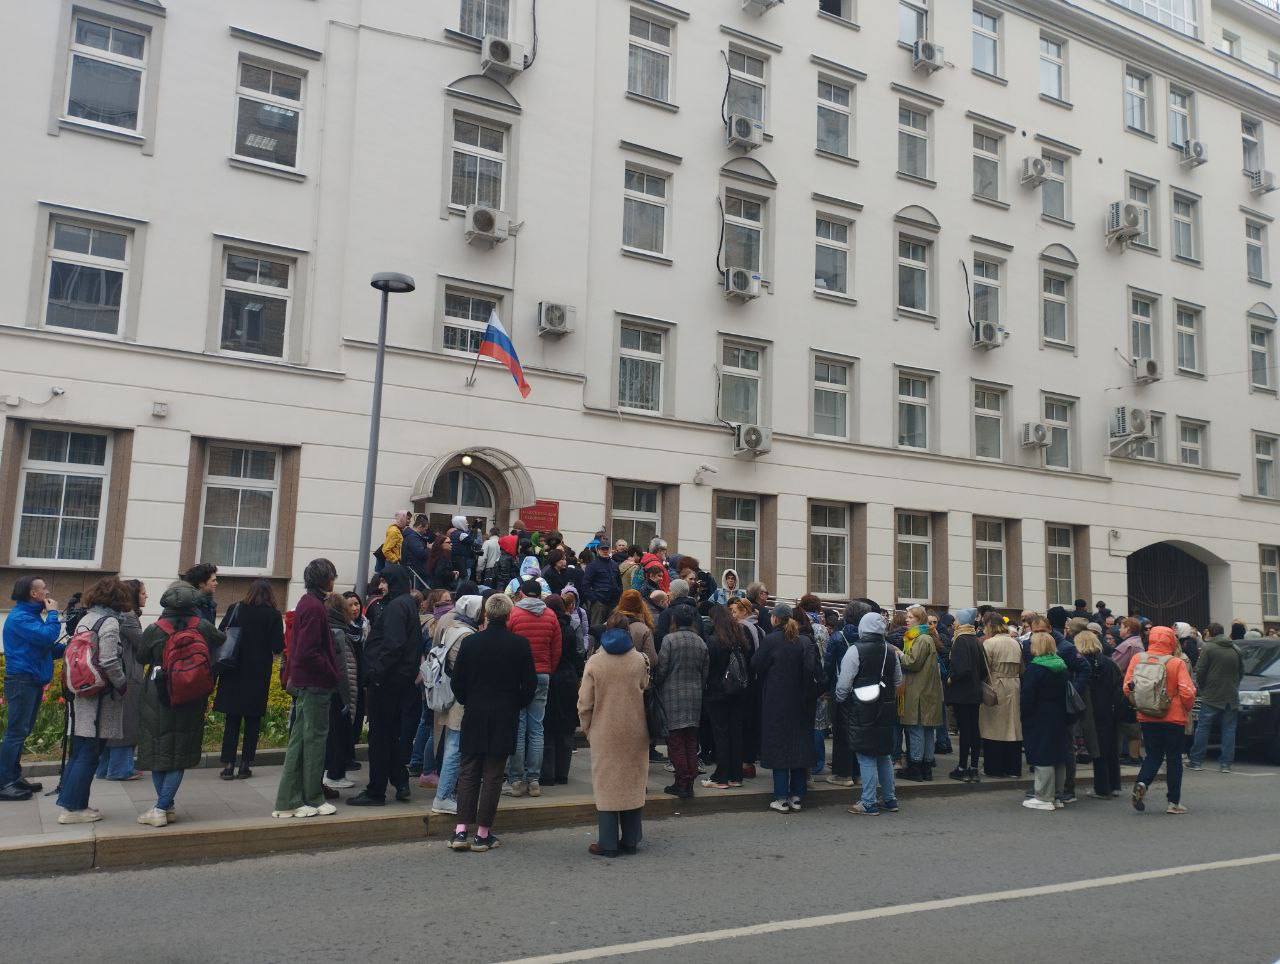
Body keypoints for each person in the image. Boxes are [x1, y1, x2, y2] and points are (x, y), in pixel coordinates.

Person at [449, 593, 537, 852]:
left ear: (486, 614)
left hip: (475, 712)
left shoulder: (470, 642)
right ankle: (483, 833)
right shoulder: (519, 645)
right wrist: (515, 703)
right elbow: (529, 685)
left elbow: (457, 681)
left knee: (468, 771)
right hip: (504, 714)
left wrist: (468, 699)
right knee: (493, 774)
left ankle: (460, 830)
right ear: (509, 615)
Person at [137, 580, 226, 827]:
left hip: (158, 693)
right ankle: (166, 806)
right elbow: (222, 640)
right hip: (191, 690)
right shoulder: (202, 626)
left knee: (158, 751)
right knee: (180, 752)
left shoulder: (155, 629)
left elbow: (141, 657)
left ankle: (161, 807)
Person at [56, 577, 133, 824]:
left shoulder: (87, 618)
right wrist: (122, 684)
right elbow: (109, 660)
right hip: (101, 697)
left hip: (82, 691)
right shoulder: (109, 622)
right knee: (89, 753)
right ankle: (74, 808)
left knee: (80, 750)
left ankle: (71, 802)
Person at [272, 560, 340, 819]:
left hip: (306, 683)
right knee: (313, 743)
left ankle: (290, 800)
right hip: (315, 684)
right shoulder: (314, 607)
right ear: (326, 580)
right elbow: (308, 652)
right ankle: (311, 797)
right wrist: (332, 673)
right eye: (332, 577)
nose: (334, 581)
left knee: (300, 742)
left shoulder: (306, 603)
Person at [349, 564, 419, 807]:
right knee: (390, 735)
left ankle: (376, 790)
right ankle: (400, 781)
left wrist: (375, 674)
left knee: (380, 737)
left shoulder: (396, 607)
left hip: (387, 682)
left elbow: (393, 645)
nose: (381, 586)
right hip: (399, 681)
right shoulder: (406, 604)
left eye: (384, 581)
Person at [578, 625, 650, 857]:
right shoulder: (639, 661)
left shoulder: (595, 662)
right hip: (636, 729)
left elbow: (585, 702)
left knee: (606, 784)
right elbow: (645, 687)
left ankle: (608, 843)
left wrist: (588, 729)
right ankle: (631, 839)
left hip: (604, 731)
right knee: (633, 781)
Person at [753, 603, 820, 813]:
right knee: (798, 747)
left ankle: (781, 797)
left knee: (779, 748)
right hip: (801, 702)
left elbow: (756, 664)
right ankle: (797, 796)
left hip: (776, 701)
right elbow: (813, 670)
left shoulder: (771, 640)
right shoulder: (804, 641)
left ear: (775, 618)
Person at [214, 579, 284, 780]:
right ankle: (245, 765)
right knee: (253, 721)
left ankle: (228, 765)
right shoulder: (273, 615)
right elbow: (278, 646)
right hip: (258, 674)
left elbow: (221, 633)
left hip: (233, 670)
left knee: (232, 720)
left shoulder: (235, 608)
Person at [1, 576, 63, 801]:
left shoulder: (31, 615)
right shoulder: (20, 617)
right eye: (43, 588)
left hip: (31, 680)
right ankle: (4, 783)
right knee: (16, 732)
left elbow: (44, 647)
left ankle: (13, 777)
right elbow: (46, 636)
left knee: (22, 732)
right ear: (33, 594)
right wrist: (53, 614)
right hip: (22, 680)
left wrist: (71, 647)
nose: (47, 592)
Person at [835, 611, 904, 815]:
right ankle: (890, 799)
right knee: (883, 754)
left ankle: (868, 802)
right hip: (886, 707)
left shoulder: (855, 650)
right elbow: (898, 680)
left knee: (865, 755)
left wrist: (840, 699)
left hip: (862, 708)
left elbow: (844, 683)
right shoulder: (891, 650)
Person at [1127, 625, 1197, 814]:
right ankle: (1173, 802)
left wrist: (1140, 704)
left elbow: (1128, 687)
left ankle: (1142, 782)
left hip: (1147, 715)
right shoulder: (1175, 662)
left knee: (1153, 755)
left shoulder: (1138, 659)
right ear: (1171, 641)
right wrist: (1185, 708)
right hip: (1173, 717)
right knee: (1174, 758)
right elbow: (1187, 691)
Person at [502, 579, 562, 797]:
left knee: (518, 728)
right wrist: (548, 669)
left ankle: (516, 780)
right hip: (542, 673)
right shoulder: (551, 615)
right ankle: (534, 779)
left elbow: (506, 644)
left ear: (522, 594)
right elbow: (556, 648)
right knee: (537, 728)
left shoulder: (514, 614)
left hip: (517, 676)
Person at [430, 595, 483, 814]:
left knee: (452, 744)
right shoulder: (467, 635)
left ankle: (446, 793)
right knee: (454, 747)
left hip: (451, 695)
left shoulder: (453, 628)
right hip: (460, 700)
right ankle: (443, 796)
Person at [656, 605, 709, 799]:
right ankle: (690, 781)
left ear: (674, 621)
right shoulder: (700, 642)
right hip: (695, 696)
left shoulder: (669, 640)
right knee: (691, 741)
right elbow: (705, 672)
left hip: (672, 695)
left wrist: (658, 685)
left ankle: (682, 781)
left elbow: (662, 668)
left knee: (676, 741)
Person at [97, 579, 146, 782]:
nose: (146, 596)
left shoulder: (113, 615)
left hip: (117, 675)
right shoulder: (129, 617)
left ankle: (104, 768)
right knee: (127, 722)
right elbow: (143, 646)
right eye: (142, 593)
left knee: (113, 722)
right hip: (129, 676)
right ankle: (121, 769)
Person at [1020, 632, 1070, 812]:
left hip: (1040, 715)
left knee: (1042, 754)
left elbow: (1028, 696)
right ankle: (1057, 795)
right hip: (1059, 714)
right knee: (1058, 755)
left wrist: (1024, 715)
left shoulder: (1035, 668)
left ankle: (1043, 796)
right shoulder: (1061, 666)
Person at [703, 605, 750, 789]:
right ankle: (735, 776)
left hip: (717, 692)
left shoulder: (713, 641)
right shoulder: (740, 639)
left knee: (721, 733)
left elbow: (707, 668)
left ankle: (721, 777)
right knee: (735, 733)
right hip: (738, 692)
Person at [539, 594, 583, 787]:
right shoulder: (571, 626)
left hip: (550, 676)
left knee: (547, 727)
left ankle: (547, 773)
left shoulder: (545, 626)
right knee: (566, 727)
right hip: (568, 678)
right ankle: (562, 773)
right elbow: (579, 653)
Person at [1188, 623, 1244, 773]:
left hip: (1211, 695)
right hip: (1231, 695)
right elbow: (1241, 672)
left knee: (1203, 728)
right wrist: (1234, 686)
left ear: (1210, 633)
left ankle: (1196, 761)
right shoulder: (1235, 649)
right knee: (1229, 730)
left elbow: (1200, 671)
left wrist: (1203, 688)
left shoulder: (1208, 648)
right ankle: (1226, 764)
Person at [1077, 629, 1124, 798]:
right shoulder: (1109, 662)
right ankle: (1115, 784)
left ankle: (1102, 788)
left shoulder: (1083, 663)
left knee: (1098, 750)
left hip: (1093, 710)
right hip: (1111, 709)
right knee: (1111, 748)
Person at [897, 607, 942, 782]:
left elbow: (912, 662)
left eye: (910, 617)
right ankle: (926, 768)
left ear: (919, 619)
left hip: (918, 691)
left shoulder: (921, 639)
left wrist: (899, 654)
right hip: (926, 691)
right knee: (927, 730)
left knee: (916, 729)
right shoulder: (924, 637)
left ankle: (915, 767)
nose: (907, 620)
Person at [322, 592, 360, 793]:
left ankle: (334, 773)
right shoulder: (339, 632)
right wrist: (348, 698)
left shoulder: (329, 628)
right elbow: (344, 668)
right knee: (337, 735)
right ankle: (334, 775)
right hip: (339, 693)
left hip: (330, 691)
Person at [979, 614, 1023, 778]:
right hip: (1014, 685)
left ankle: (994, 767)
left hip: (995, 685)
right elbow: (1022, 668)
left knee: (993, 728)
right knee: (1013, 727)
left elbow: (984, 668)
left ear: (989, 626)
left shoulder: (989, 643)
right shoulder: (1015, 643)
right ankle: (1013, 768)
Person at [944, 608, 986, 783]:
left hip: (963, 693)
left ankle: (962, 767)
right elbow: (983, 669)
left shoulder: (960, 640)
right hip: (974, 691)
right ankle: (974, 768)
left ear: (961, 621)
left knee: (965, 731)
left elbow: (961, 669)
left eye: (956, 619)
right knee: (974, 730)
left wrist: (951, 678)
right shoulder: (975, 639)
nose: (954, 622)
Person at [611, 589, 659, 664]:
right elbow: (651, 659)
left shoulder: (608, 625)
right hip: (636, 669)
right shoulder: (643, 629)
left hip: (611, 669)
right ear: (641, 605)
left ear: (621, 603)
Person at [654, 579, 704, 646]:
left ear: (675, 593)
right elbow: (701, 635)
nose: (668, 593)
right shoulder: (696, 612)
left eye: (670, 590)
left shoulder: (666, 613)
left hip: (671, 651)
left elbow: (661, 639)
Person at [583, 542, 622, 626]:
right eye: (602, 549)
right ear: (598, 551)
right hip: (599, 603)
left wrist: (619, 596)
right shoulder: (592, 566)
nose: (605, 551)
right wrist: (594, 600)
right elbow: (585, 585)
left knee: (613, 627)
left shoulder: (614, 564)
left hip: (614, 603)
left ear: (610, 550)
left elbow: (619, 583)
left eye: (606, 549)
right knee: (596, 628)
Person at [402, 515, 432, 591]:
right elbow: (421, 553)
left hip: (414, 569)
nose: (425, 532)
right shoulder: (413, 537)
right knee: (417, 592)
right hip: (415, 571)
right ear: (420, 526)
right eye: (425, 529)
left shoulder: (413, 536)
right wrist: (429, 548)